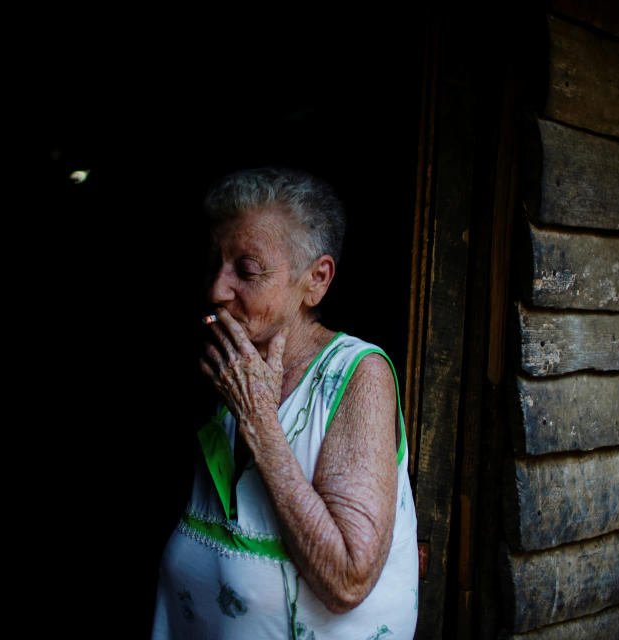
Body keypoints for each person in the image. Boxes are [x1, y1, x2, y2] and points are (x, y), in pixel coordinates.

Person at [152, 167, 420, 639]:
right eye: (215, 262)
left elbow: (347, 580)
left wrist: (259, 421)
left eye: (247, 271)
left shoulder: (358, 376)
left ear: (316, 280)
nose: (217, 290)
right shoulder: (235, 367)